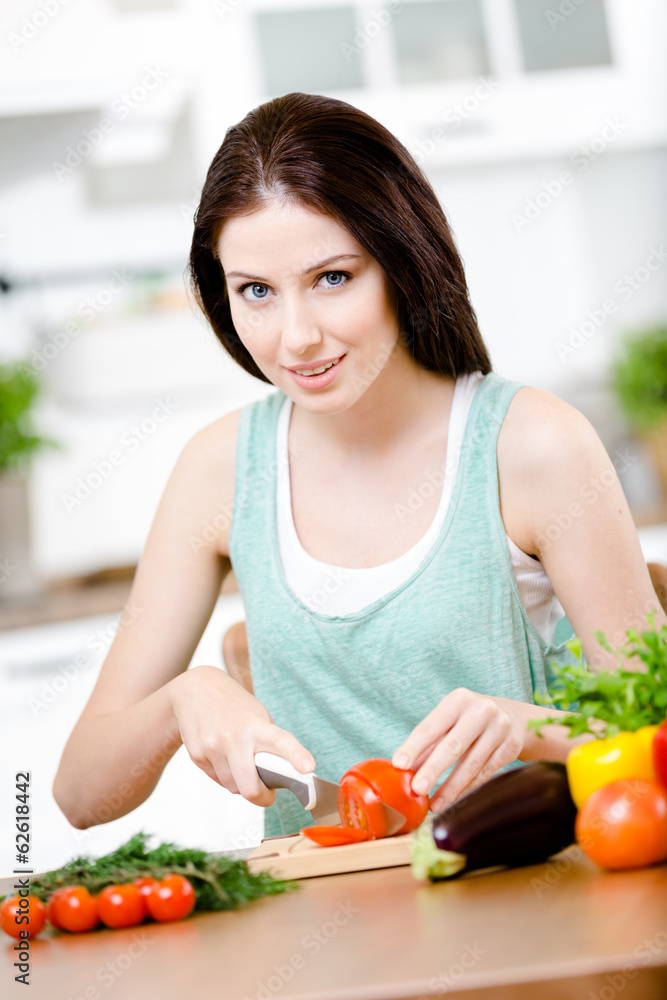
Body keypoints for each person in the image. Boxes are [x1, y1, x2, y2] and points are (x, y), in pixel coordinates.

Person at [53, 92, 667, 839]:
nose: (296, 337)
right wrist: (183, 700)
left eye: (332, 278)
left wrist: (526, 727)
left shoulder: (531, 445)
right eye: (256, 292)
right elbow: (80, 794)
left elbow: (652, 737)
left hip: (521, 909)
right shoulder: (218, 471)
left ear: (402, 262)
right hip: (314, 936)